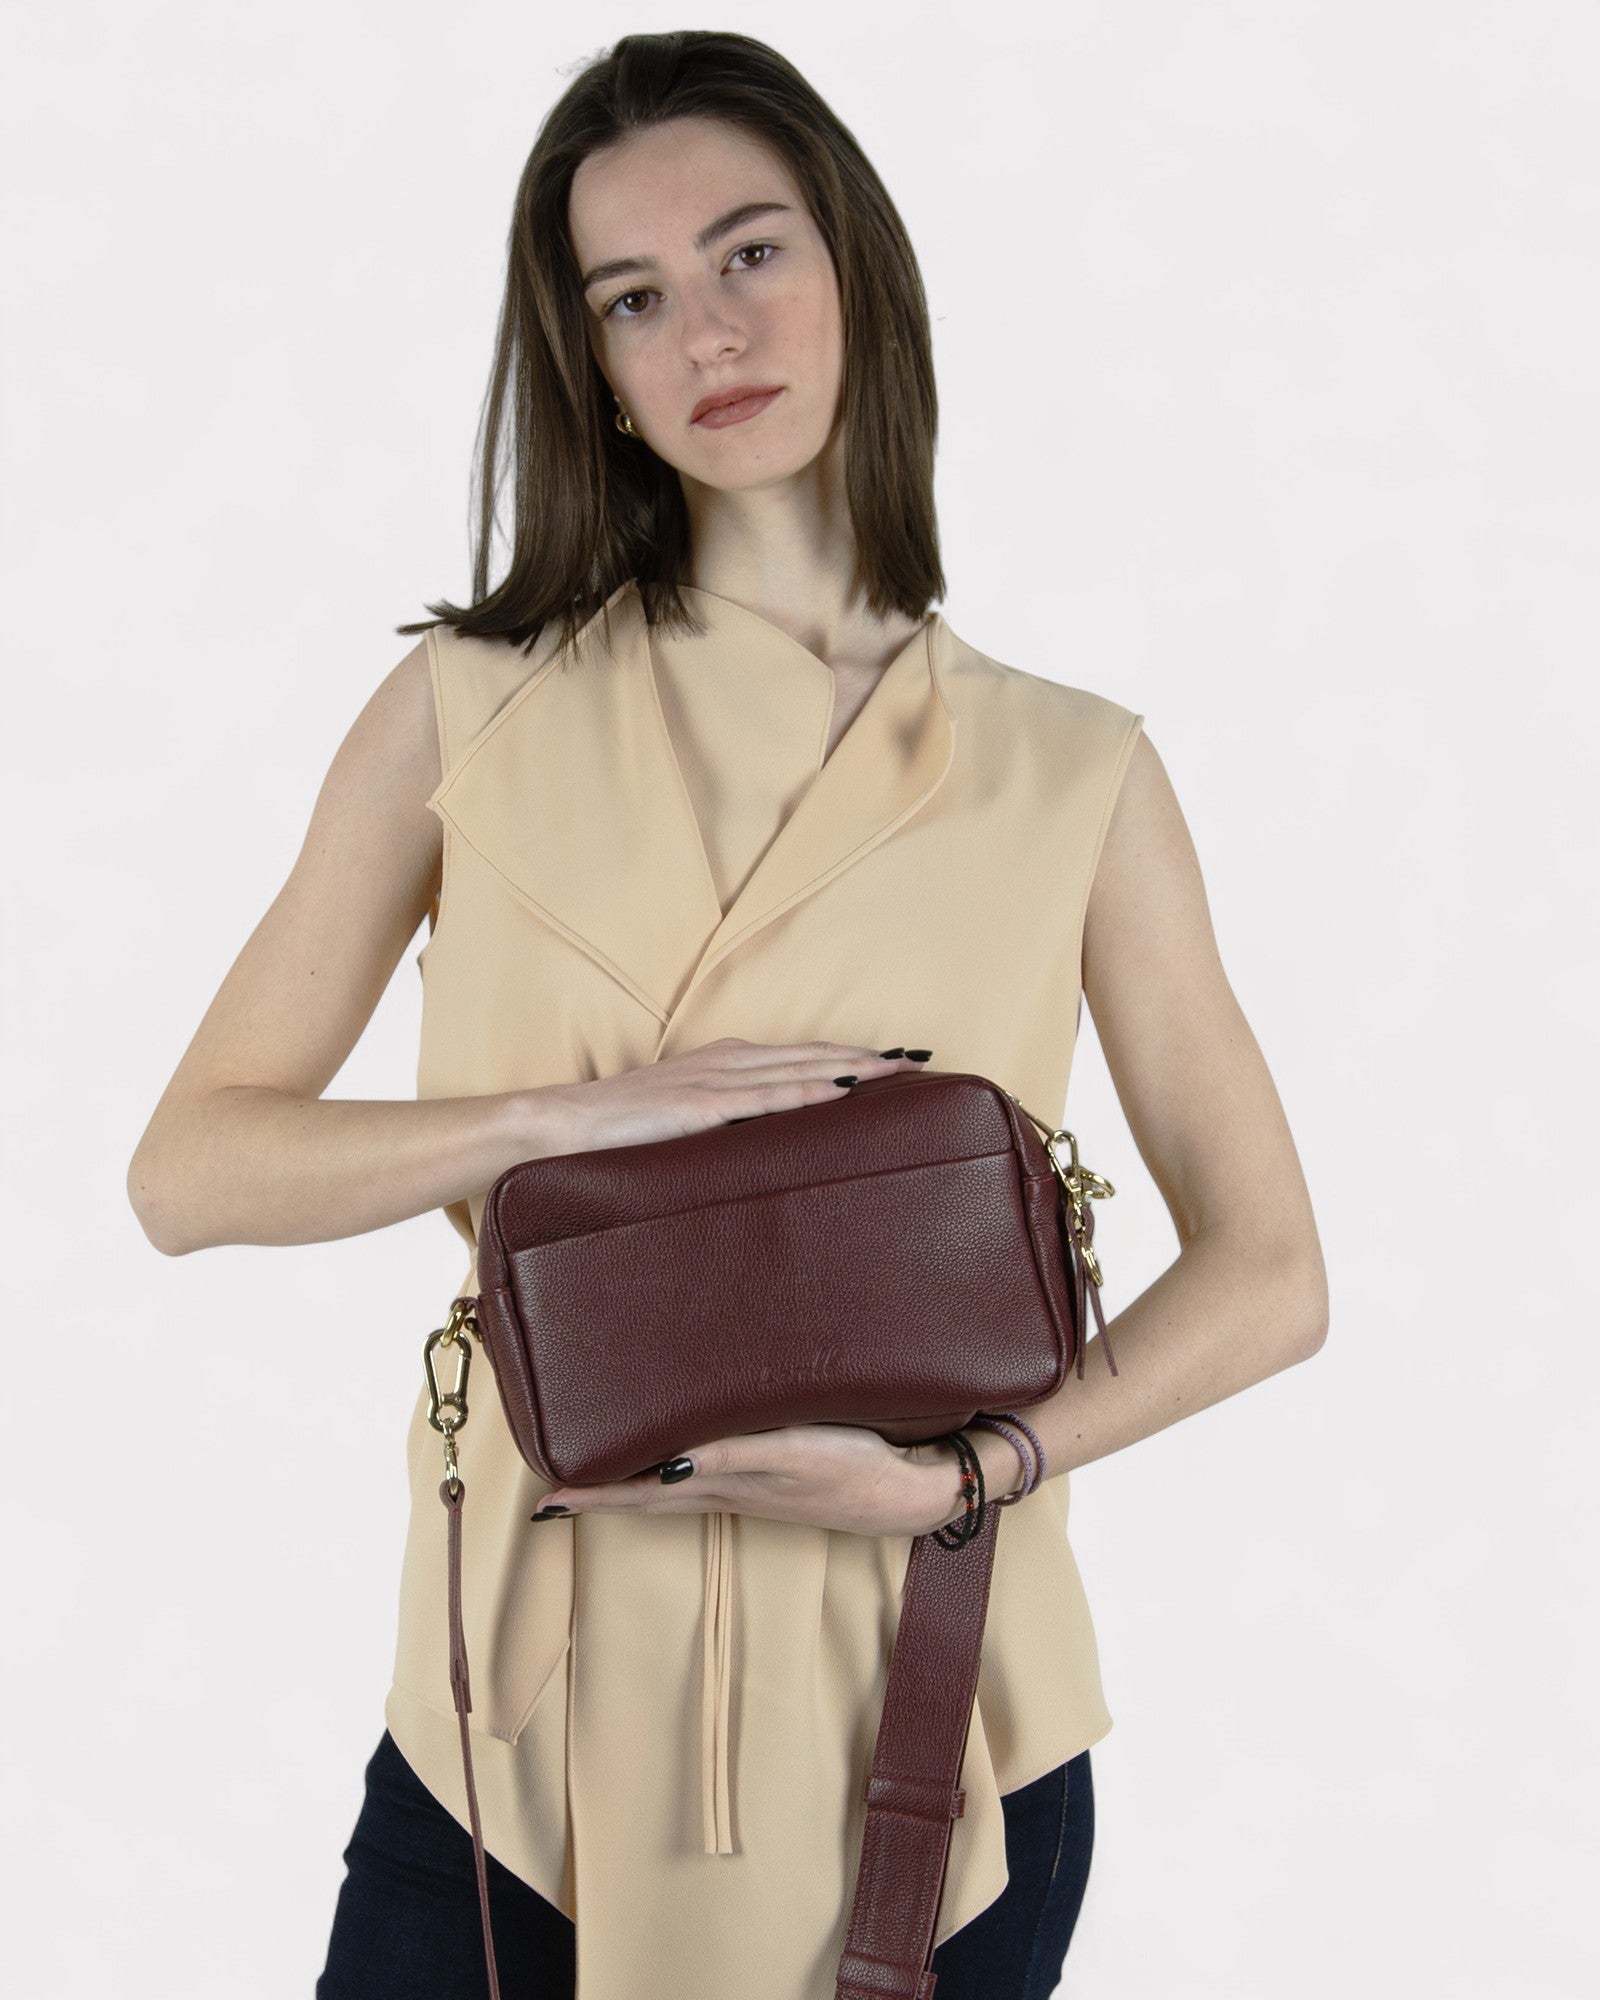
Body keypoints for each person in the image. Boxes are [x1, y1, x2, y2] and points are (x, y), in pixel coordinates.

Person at [126, 29, 1329, 2000]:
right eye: (631, 296)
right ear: (591, 366)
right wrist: (559, 1120)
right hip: (510, 1733)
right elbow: (187, 1172)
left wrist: (961, 1477)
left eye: (750, 252)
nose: (706, 330)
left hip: (931, 1729)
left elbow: (1273, 1270)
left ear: (859, 263)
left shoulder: (1074, 773)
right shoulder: (463, 714)